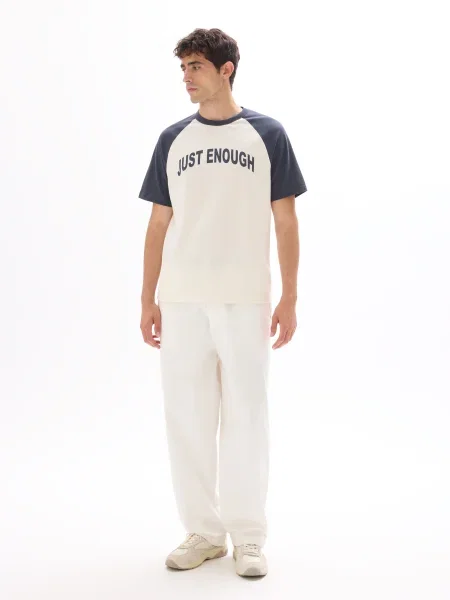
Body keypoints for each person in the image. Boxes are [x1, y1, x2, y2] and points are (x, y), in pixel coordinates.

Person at [138, 28, 307, 578]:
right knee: (187, 416)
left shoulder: (267, 134)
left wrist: (290, 296)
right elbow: (158, 224)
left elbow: (286, 220)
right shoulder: (172, 139)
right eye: (183, 67)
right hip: (182, 299)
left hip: (243, 298)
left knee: (246, 415)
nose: (186, 77)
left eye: (195, 66)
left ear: (225, 69)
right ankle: (204, 532)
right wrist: (147, 298)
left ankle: (248, 536)